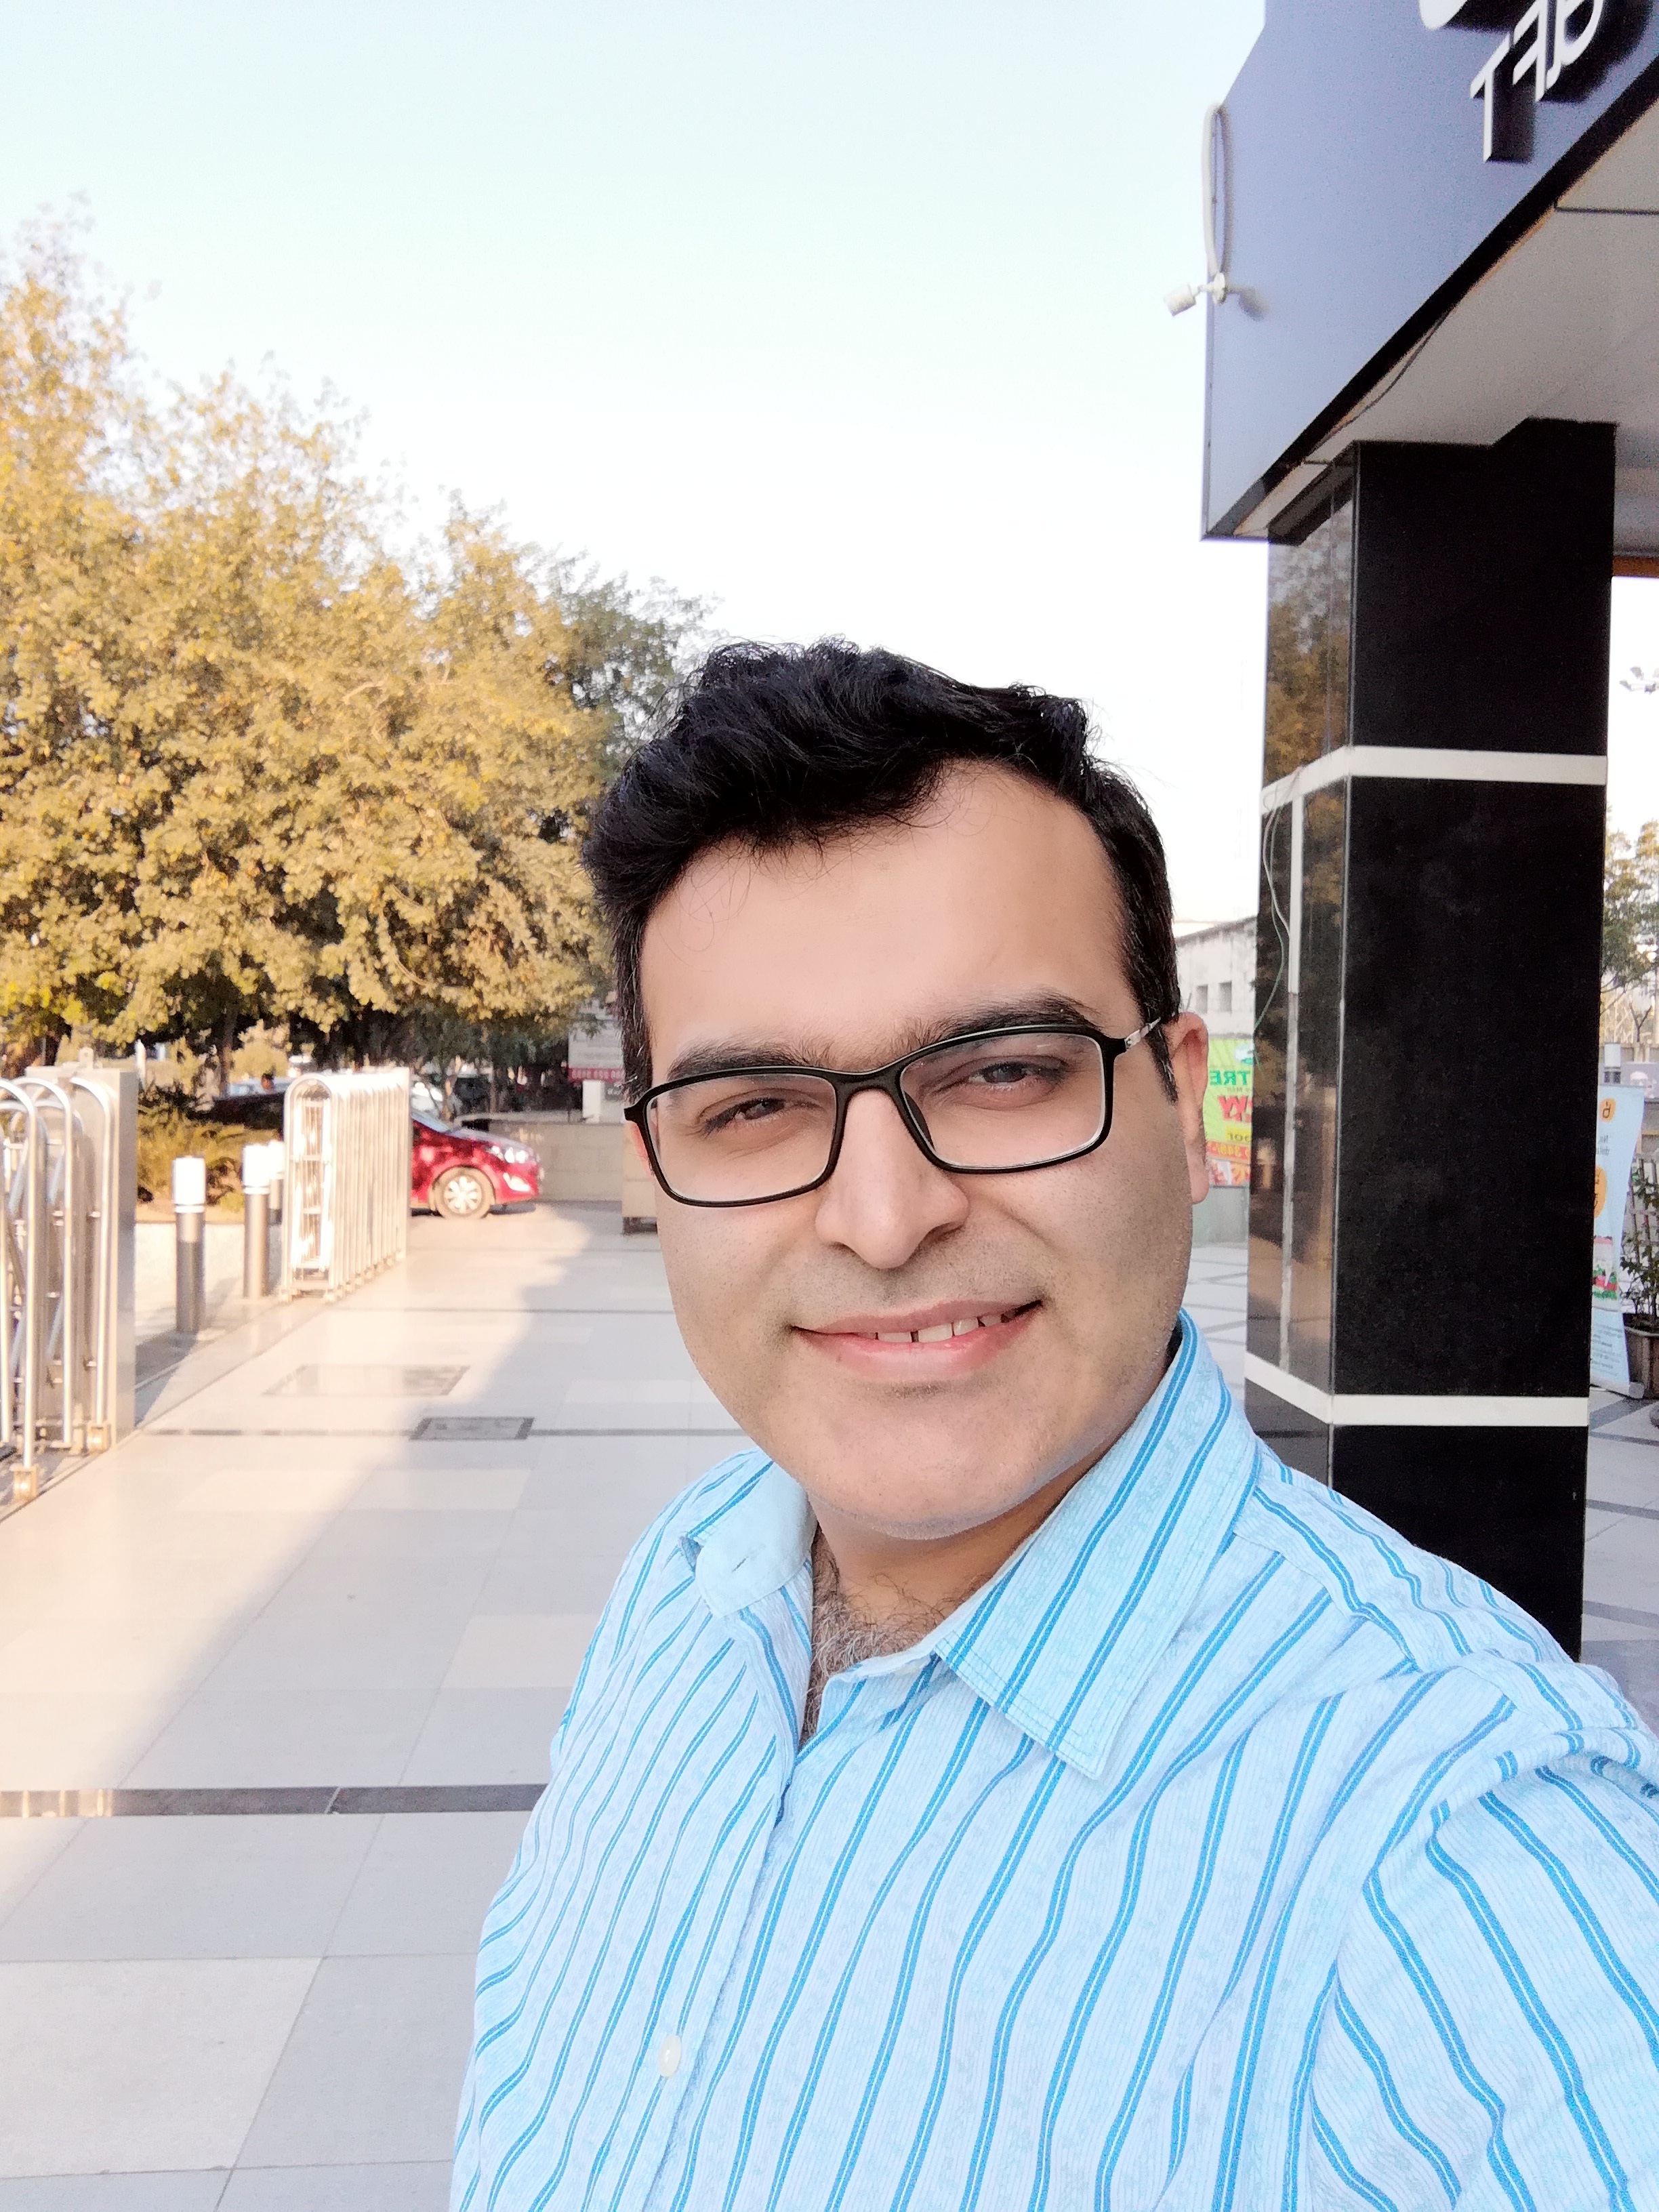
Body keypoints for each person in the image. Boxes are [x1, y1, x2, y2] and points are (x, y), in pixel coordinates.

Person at [453, 642, 1659, 2211]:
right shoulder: (683, 1591)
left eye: (1006, 1073)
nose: (884, 1216)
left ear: (1183, 1104)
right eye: (754, 1107)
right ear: (656, 1169)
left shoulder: (1464, 1860)